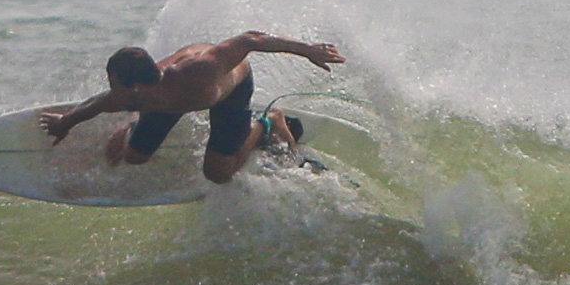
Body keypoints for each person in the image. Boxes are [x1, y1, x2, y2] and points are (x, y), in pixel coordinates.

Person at [39, 31, 344, 184]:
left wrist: (308, 50)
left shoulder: (203, 71)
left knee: (218, 174)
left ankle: (268, 122)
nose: (112, 89)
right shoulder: (134, 93)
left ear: (136, 88)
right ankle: (135, 125)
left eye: (114, 82)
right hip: (164, 98)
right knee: (133, 156)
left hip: (229, 93)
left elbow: (251, 39)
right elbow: (100, 103)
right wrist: (66, 122)